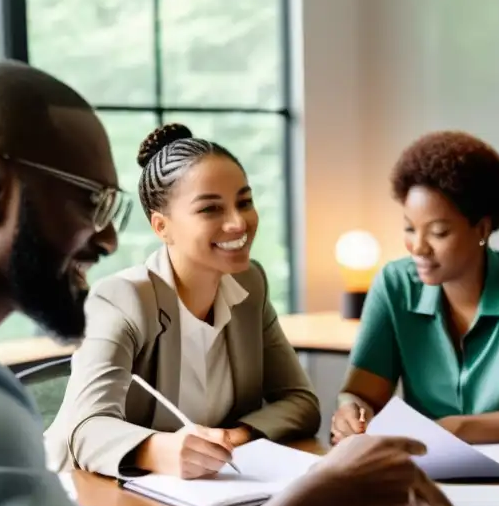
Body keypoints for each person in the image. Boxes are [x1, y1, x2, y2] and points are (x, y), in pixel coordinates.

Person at [0, 60, 449, 506]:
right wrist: (327, 494)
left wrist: (238, 437)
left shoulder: (248, 284)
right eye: (88, 200)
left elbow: (297, 400)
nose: (105, 237)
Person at [44, 123, 319, 479]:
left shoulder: (250, 284)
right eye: (210, 209)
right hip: (84, 495)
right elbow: (86, 429)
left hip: (203, 493)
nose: (238, 223)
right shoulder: (121, 299)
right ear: (161, 227)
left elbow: (301, 402)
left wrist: (231, 439)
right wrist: (159, 450)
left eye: (244, 202)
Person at [329, 130, 499, 445]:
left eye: (438, 232)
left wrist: (453, 430)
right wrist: (351, 411)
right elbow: (361, 393)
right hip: (423, 471)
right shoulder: (394, 285)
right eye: (409, 227)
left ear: (482, 228)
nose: (417, 247)